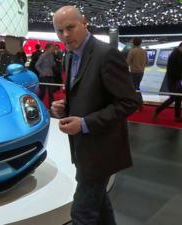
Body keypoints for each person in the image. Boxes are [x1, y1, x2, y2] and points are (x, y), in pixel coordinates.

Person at [51, 6, 141, 225]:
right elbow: (89, 94)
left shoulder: (106, 54)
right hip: (84, 148)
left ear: (84, 22)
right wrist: (67, 106)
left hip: (102, 149)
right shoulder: (69, 56)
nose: (65, 35)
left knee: (81, 214)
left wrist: (84, 123)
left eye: (70, 28)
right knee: (99, 205)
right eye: (59, 31)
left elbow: (130, 102)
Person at [153, 42, 182, 122]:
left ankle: (177, 116)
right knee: (174, 97)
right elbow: (173, 70)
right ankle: (157, 110)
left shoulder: (178, 54)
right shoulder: (174, 55)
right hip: (172, 79)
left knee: (178, 97)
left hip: (176, 79)